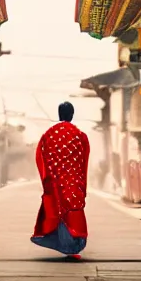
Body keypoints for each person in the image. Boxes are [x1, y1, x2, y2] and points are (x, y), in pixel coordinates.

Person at [31, 102, 90, 259]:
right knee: (73, 215)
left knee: (57, 212)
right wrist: (82, 183)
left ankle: (63, 245)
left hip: (55, 183)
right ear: (72, 115)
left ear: (59, 115)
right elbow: (84, 161)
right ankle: (72, 247)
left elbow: (40, 157)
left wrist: (46, 180)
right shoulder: (80, 136)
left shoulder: (48, 135)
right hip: (74, 184)